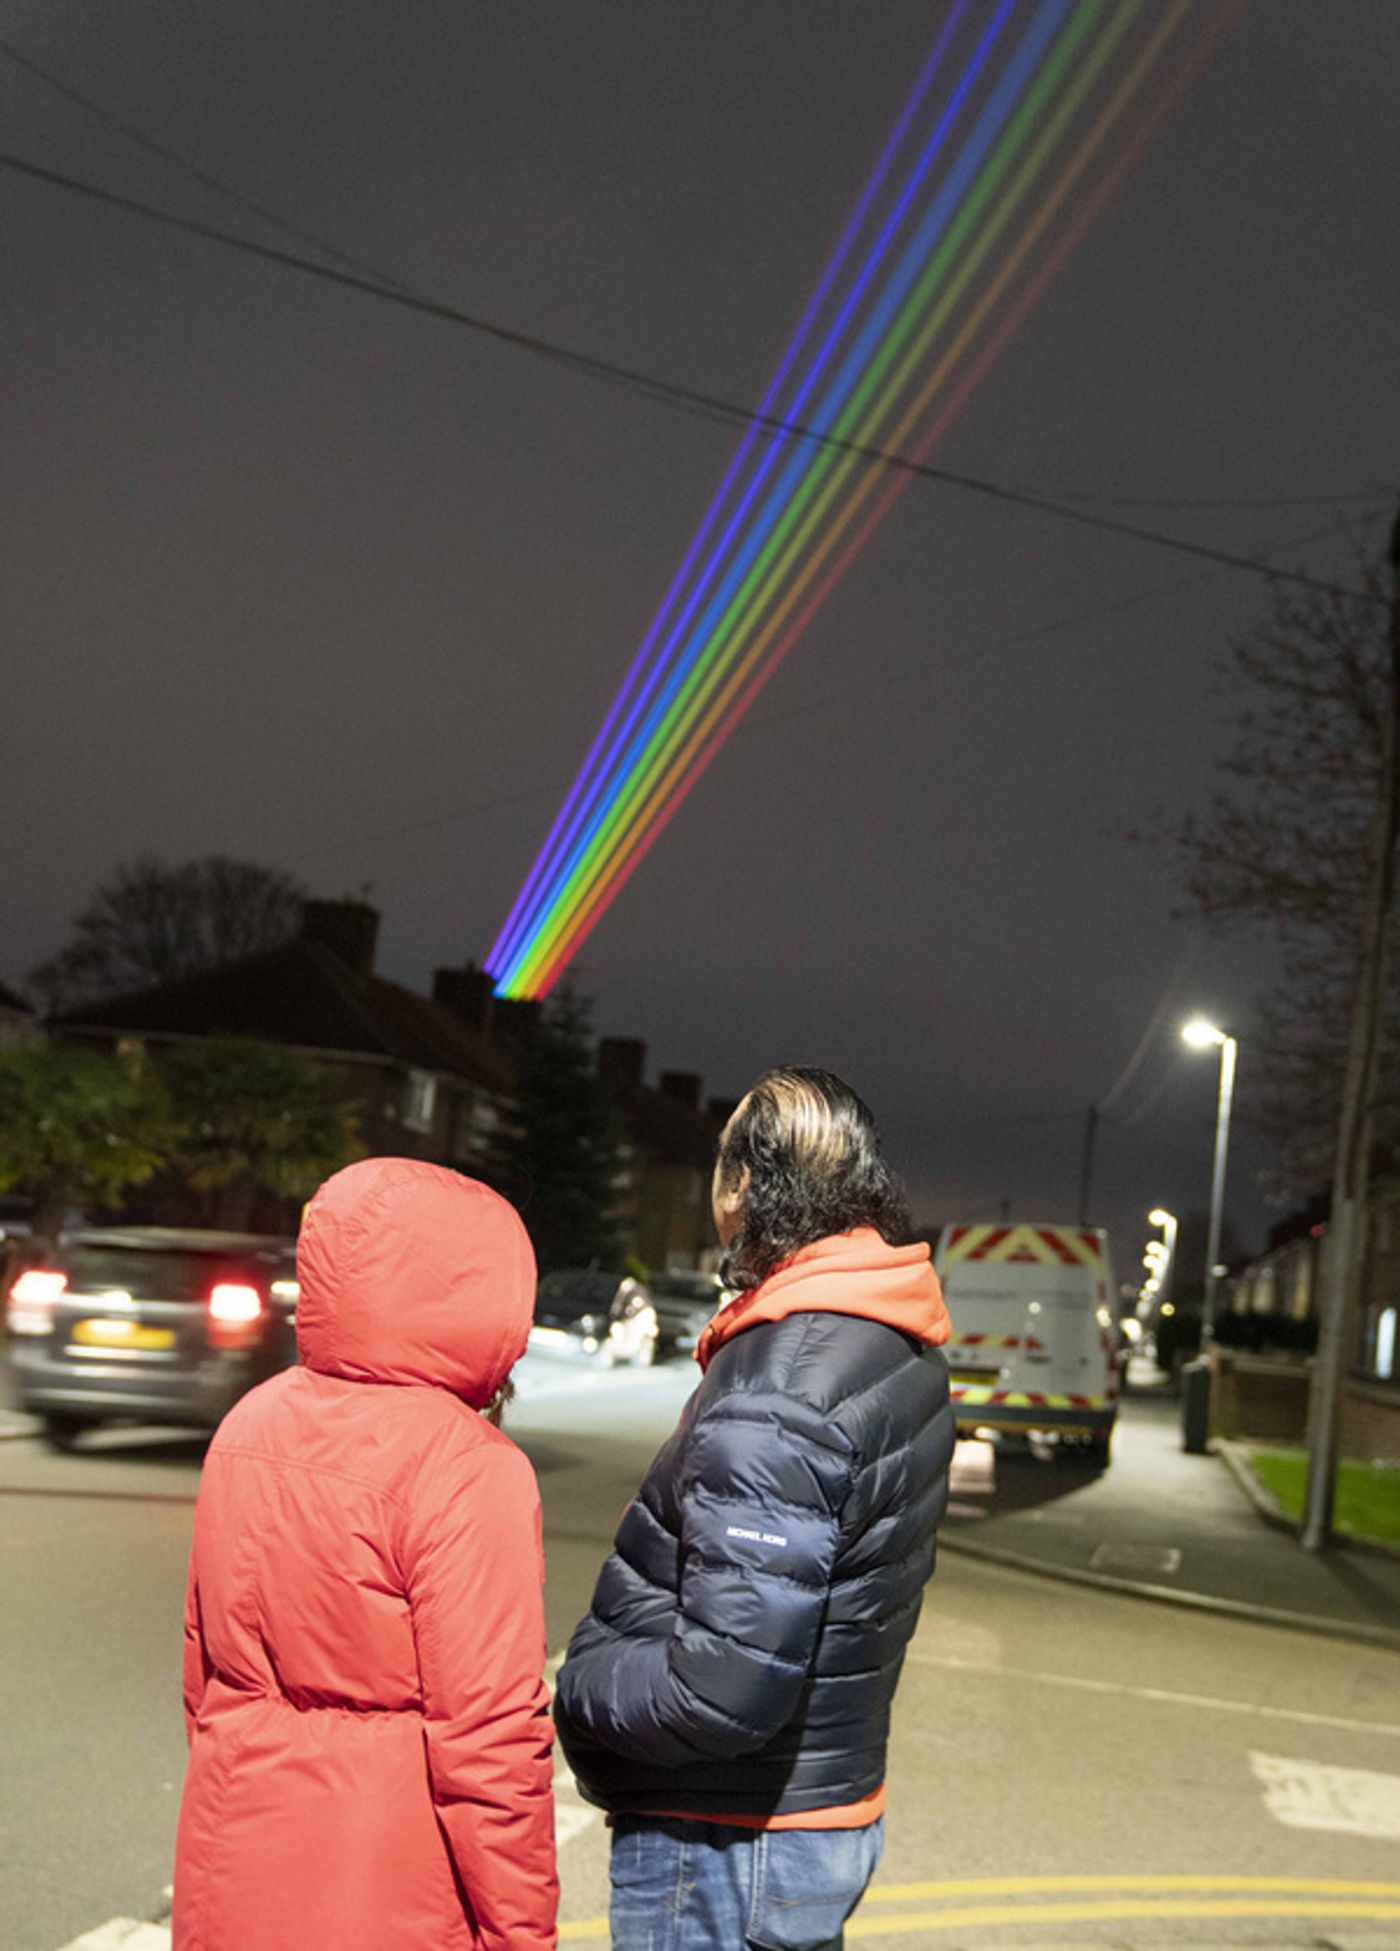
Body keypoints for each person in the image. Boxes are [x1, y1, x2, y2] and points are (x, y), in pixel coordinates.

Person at [555, 1067, 954, 1951]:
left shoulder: (783, 1380)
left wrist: (578, 1689)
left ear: (743, 1184)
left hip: (727, 1840)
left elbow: (721, 1687)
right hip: (810, 1812)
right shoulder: (883, 1337)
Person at [173, 1157, 557, 1951]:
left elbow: (202, 1668)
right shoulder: (468, 1468)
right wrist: (522, 1935)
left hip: (232, 1856)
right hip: (388, 1887)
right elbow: (490, 1743)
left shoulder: (249, 1422)